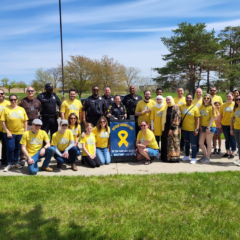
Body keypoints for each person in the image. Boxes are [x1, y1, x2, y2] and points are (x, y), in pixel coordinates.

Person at [1, 94, 28, 172]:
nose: (13, 101)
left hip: (20, 132)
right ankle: (10, 163)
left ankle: (16, 162)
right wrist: (7, 132)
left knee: (17, 148)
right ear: (9, 101)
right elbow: (3, 121)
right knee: (10, 147)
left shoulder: (21, 109)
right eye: (11, 100)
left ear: (17, 100)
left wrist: (25, 132)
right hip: (10, 133)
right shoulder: (6, 109)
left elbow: (25, 121)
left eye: (14, 99)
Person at [18, 86, 42, 164]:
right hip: (26, 124)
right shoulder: (22, 102)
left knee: (36, 140)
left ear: (34, 92)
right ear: (26, 92)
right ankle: (22, 158)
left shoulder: (38, 101)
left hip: (36, 124)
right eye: (29, 91)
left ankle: (36, 155)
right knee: (24, 141)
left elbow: (39, 110)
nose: (30, 92)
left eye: (32, 91)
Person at [179, 94, 200, 164]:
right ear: (185, 99)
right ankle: (187, 155)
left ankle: (194, 158)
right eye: (187, 98)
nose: (189, 99)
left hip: (192, 129)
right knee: (186, 143)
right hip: (184, 129)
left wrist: (197, 129)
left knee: (193, 144)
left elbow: (197, 119)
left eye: (190, 98)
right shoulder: (182, 106)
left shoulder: (195, 108)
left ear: (192, 99)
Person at [161, 96, 181, 163]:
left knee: (173, 143)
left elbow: (177, 118)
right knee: (167, 143)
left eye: (169, 100)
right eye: (166, 100)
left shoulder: (175, 107)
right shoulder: (166, 107)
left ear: (172, 100)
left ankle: (173, 158)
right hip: (166, 127)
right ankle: (166, 157)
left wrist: (172, 128)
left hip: (173, 128)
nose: (168, 101)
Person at [198, 94, 217, 163]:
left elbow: (212, 118)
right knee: (200, 142)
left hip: (210, 127)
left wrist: (208, 127)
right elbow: (199, 116)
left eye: (208, 98)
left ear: (210, 99)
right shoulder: (201, 106)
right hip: (203, 127)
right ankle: (206, 155)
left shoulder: (212, 107)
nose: (206, 99)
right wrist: (199, 126)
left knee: (208, 143)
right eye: (205, 98)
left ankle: (207, 157)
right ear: (203, 99)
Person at [219, 92, 236, 158]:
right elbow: (220, 115)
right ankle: (227, 151)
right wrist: (220, 124)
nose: (228, 98)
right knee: (227, 139)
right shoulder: (223, 105)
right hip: (224, 124)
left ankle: (233, 152)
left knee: (233, 139)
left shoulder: (235, 104)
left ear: (233, 97)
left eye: (230, 96)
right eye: (227, 96)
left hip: (234, 125)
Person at [174, 87, 186, 151]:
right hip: (176, 119)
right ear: (177, 92)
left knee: (183, 132)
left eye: (181, 91)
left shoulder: (185, 99)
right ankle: (177, 145)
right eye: (178, 91)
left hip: (184, 118)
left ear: (183, 91)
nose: (180, 92)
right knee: (176, 132)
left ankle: (182, 145)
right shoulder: (174, 99)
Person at [0, 89, 10, 165]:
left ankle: (4, 160)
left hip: (5, 129)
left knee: (5, 145)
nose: (0, 95)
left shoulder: (9, 103)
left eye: (2, 93)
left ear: (4, 94)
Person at [231, 96, 240, 166]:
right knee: (238, 144)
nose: (238, 100)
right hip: (236, 128)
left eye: (239, 99)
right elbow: (232, 120)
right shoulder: (235, 109)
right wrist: (231, 129)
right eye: (237, 99)